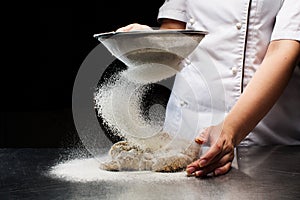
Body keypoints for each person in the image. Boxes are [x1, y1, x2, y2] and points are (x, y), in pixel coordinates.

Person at [116, 0, 300, 177]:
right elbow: (175, 32)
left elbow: (283, 50)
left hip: (261, 142)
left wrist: (230, 130)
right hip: (183, 132)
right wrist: (147, 41)